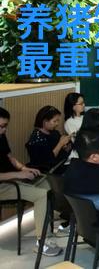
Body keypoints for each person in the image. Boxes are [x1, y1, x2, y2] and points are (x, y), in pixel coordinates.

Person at [0, 107, 62, 257]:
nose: (4, 130)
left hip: (13, 179)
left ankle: (48, 230)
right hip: (3, 186)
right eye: (1, 126)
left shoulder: (1, 137)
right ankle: (42, 242)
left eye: (5, 126)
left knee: (48, 184)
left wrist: (24, 168)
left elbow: (10, 158)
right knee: (41, 195)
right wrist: (19, 174)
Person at [26, 106, 71, 174]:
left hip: (61, 163)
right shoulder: (37, 139)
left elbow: (63, 149)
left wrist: (65, 145)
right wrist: (60, 144)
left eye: (58, 121)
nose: (57, 124)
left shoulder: (54, 132)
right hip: (48, 171)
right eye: (54, 121)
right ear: (45, 121)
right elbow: (48, 160)